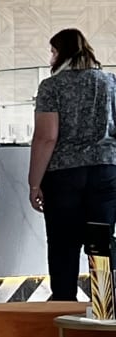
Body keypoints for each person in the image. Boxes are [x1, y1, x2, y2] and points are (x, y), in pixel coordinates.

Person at [28, 27, 116, 301]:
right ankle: (104, 309)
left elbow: (46, 137)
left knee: (63, 246)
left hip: (63, 176)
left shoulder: (52, 86)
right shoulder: (110, 82)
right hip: (105, 172)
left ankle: (63, 307)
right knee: (101, 245)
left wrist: (34, 183)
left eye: (53, 52)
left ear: (61, 53)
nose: (51, 58)